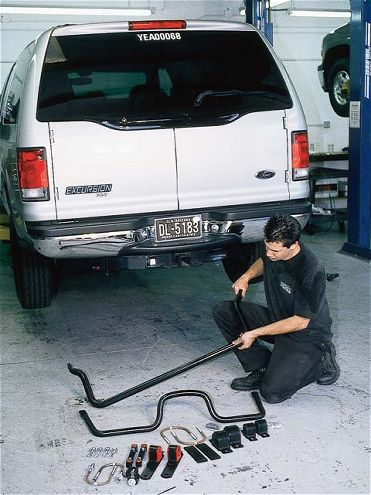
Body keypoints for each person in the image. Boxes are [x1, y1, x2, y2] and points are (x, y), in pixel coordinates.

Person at [213, 214, 340, 403]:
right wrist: (246, 276)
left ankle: (321, 359)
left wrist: (254, 333)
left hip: (306, 335)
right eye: (267, 247)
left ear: (294, 245)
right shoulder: (273, 248)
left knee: (273, 393)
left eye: (275, 251)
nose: (269, 254)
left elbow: (300, 321)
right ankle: (261, 366)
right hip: (278, 319)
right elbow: (263, 261)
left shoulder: (311, 269)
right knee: (224, 311)